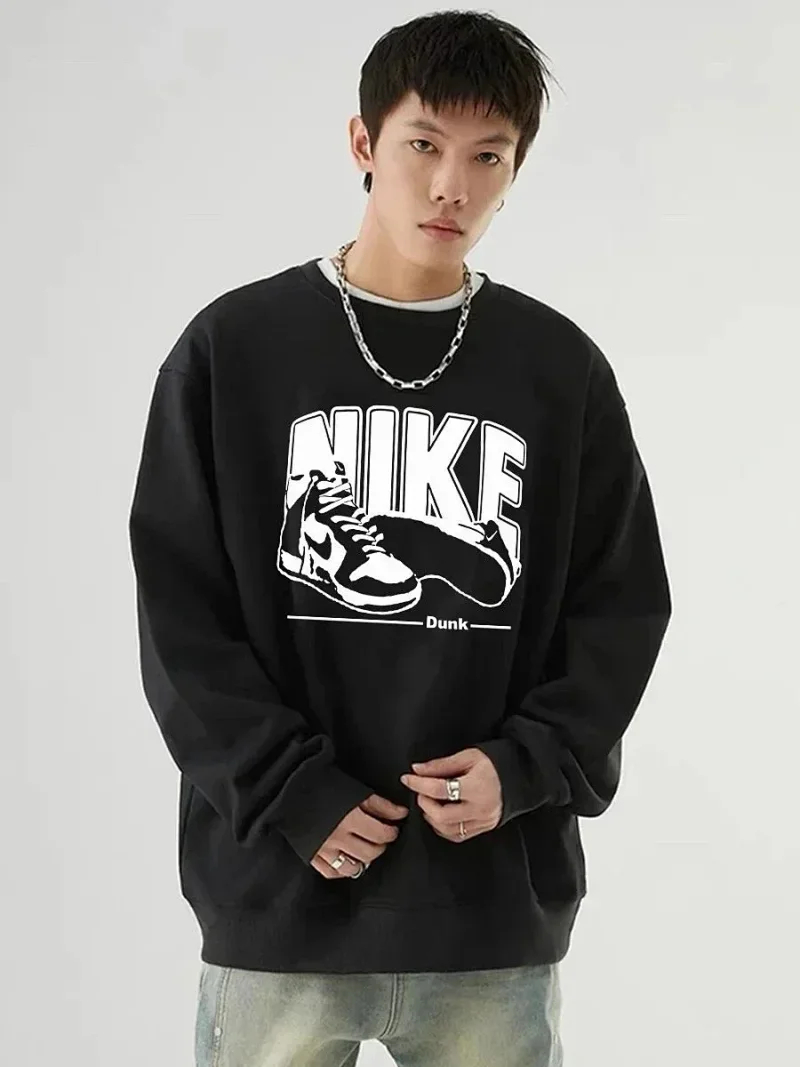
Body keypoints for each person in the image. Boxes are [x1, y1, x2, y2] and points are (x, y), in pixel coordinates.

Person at [128, 10, 672, 1066]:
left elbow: (619, 607)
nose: (450, 187)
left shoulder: (556, 371)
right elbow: (178, 613)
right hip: (281, 902)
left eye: (487, 157)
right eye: (424, 144)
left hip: (487, 913)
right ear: (363, 142)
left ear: (515, 172)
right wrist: (289, 790)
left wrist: (525, 766)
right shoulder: (236, 350)